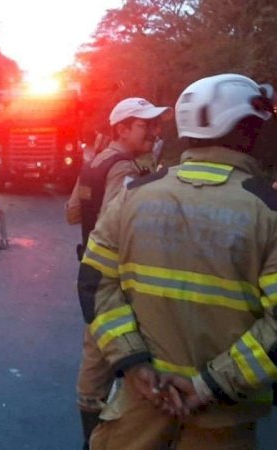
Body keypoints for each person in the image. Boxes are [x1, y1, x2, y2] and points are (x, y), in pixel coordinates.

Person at [79, 73, 277, 449]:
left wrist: (135, 365)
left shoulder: (134, 196)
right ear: (247, 132)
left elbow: (95, 283)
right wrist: (209, 386)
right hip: (223, 421)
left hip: (139, 407)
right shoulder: (267, 210)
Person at [66, 97, 172, 448]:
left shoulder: (95, 162)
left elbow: (73, 213)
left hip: (93, 270)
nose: (154, 130)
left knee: (95, 357)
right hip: (118, 277)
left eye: (154, 124)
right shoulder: (124, 169)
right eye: (145, 125)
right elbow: (121, 226)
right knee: (116, 352)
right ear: (122, 128)